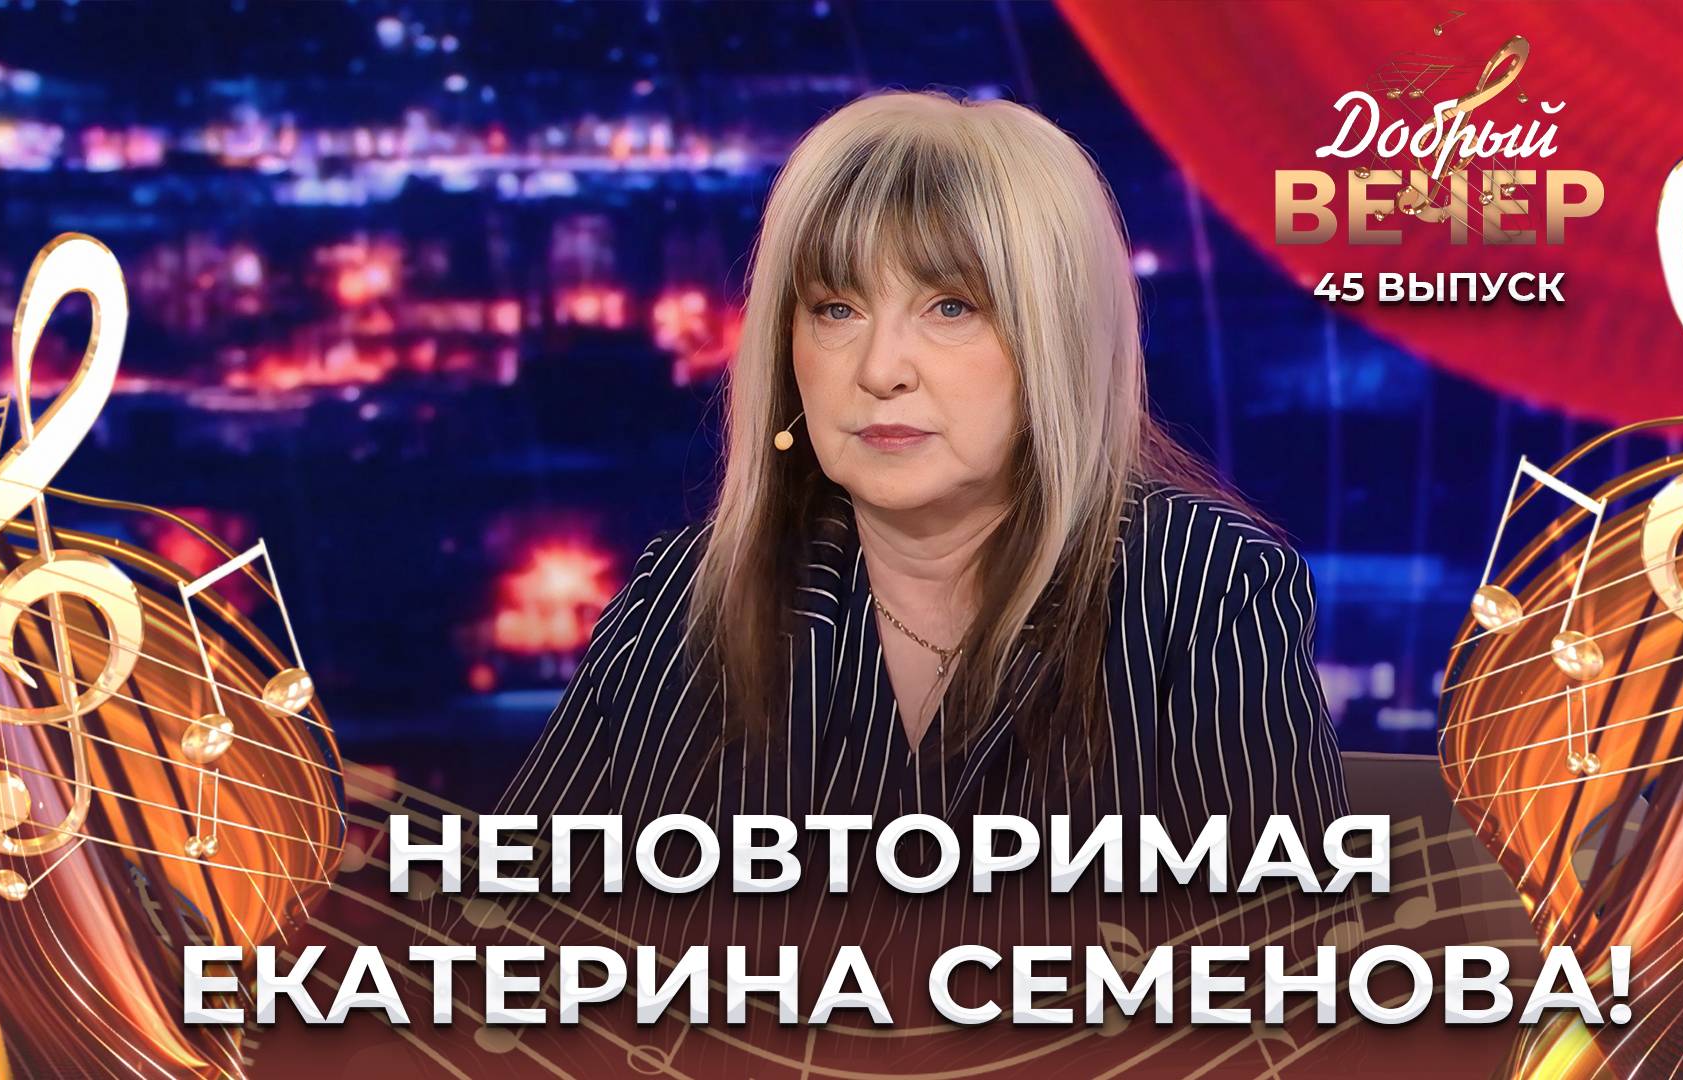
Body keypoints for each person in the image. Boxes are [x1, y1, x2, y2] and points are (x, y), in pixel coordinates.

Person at [490, 89, 1350, 1060]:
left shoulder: (1201, 587)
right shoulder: (679, 601)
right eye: (836, 308)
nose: (880, 367)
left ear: (1056, 341)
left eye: (950, 307)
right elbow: (508, 960)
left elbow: (1279, 999)